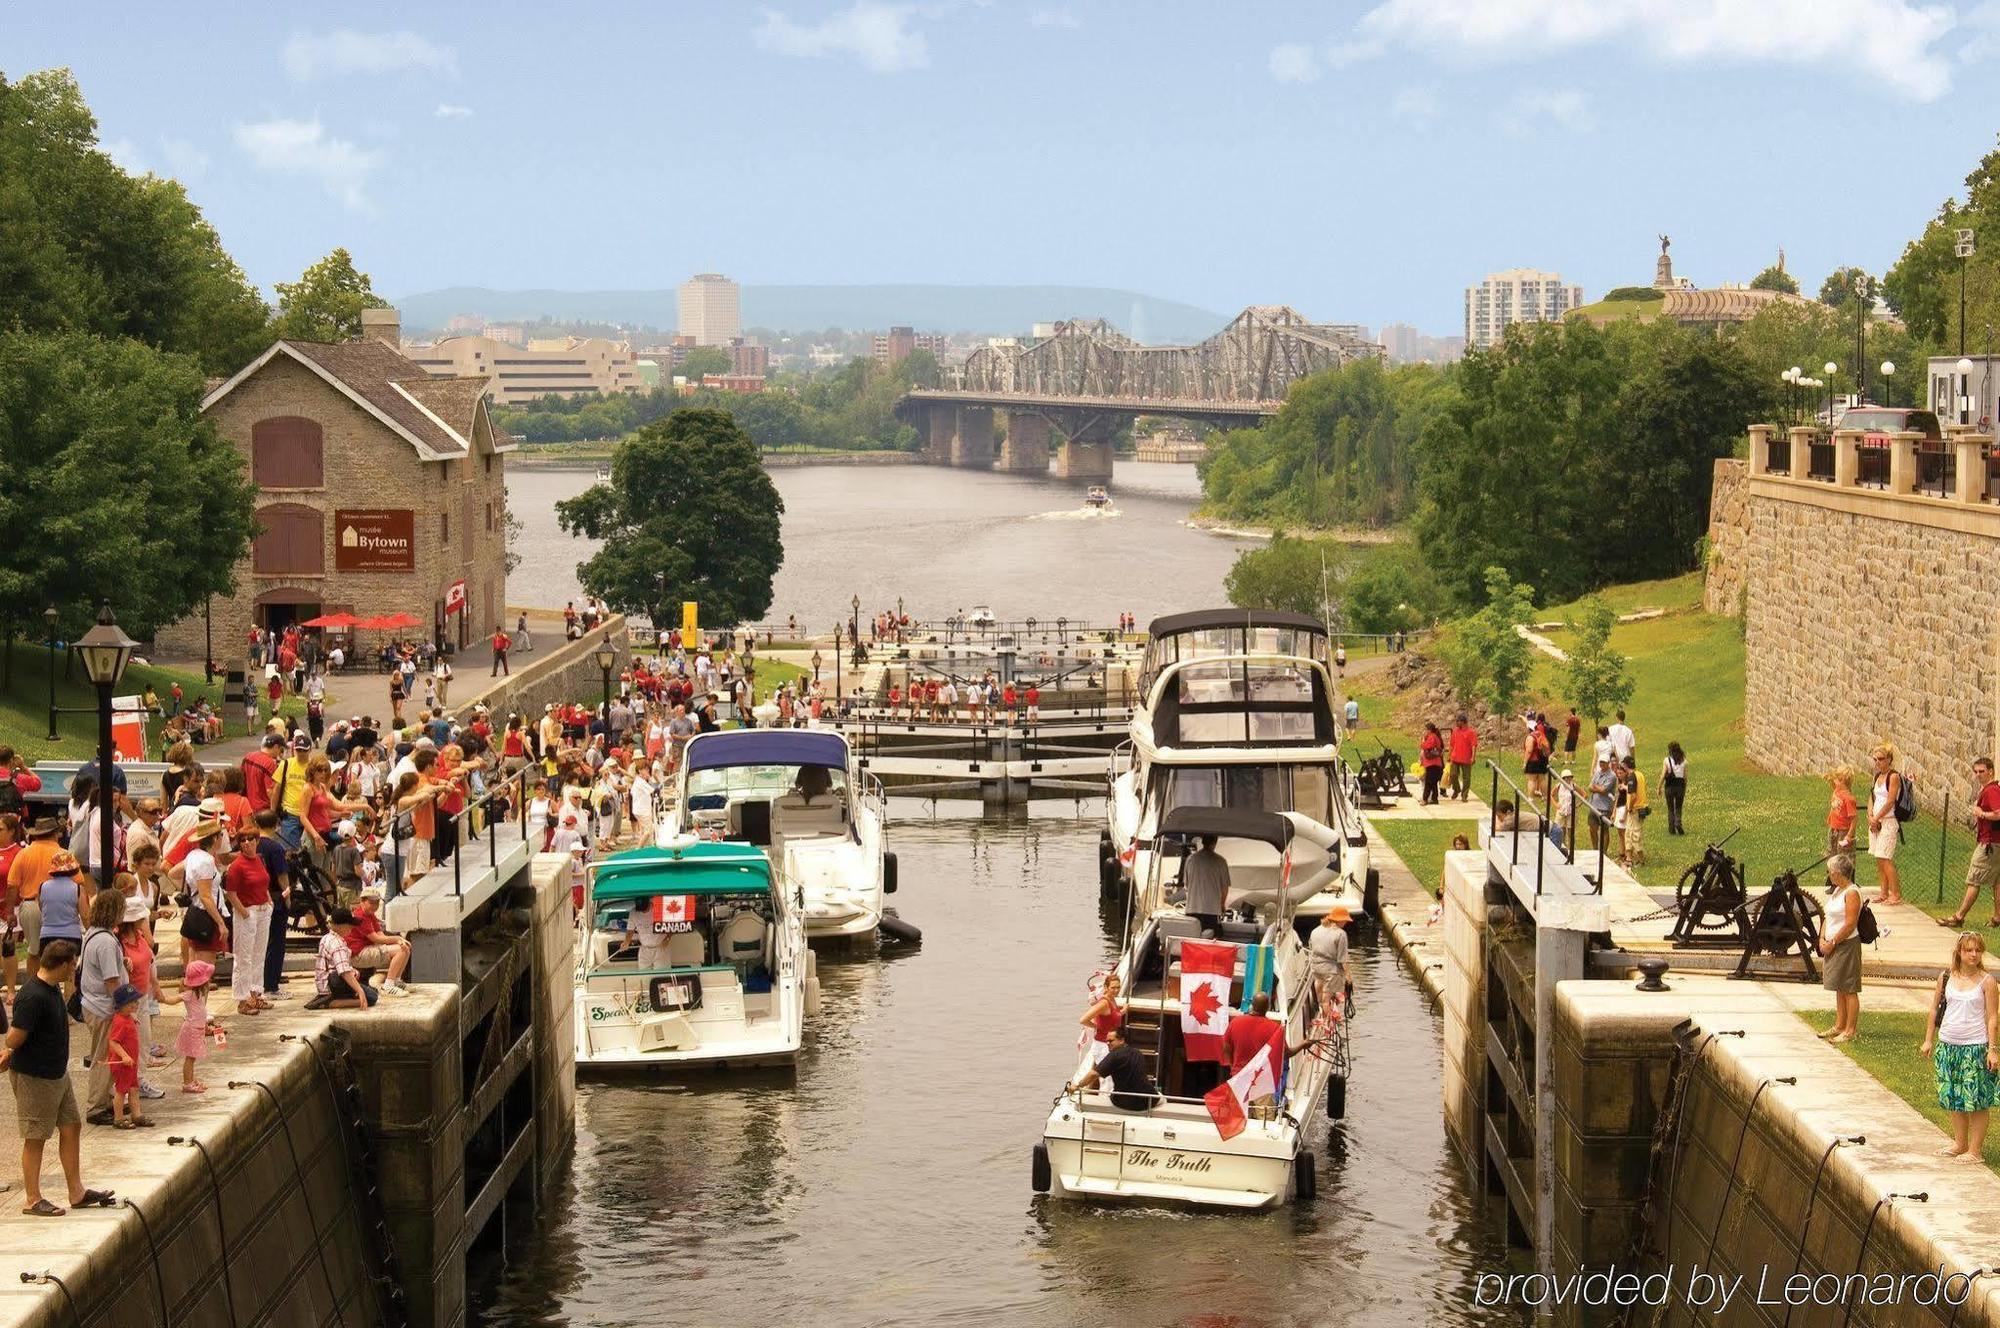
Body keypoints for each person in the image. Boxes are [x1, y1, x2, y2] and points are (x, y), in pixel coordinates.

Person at [3, 940, 117, 1215]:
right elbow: (13, 1037)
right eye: (73, 965)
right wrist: (7, 1052)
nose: (73, 970)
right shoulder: (32, 995)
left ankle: (76, 1191)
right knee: (36, 1136)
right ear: (64, 964)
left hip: (57, 1074)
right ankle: (32, 1198)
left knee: (71, 1126)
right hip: (35, 1077)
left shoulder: (51, 989)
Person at [1920, 931, 2000, 1160]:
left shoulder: (1988, 981)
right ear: (1959, 952)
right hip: (1948, 1044)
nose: (1973, 954)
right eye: (1969, 950)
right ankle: (1960, 1143)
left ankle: (1975, 1151)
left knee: (1976, 1099)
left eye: (1977, 950)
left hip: (1974, 1046)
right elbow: (1935, 1009)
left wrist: (1993, 1049)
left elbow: (1993, 1017)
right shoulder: (1945, 977)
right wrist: (1928, 1039)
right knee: (1954, 1097)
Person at [76, 888, 128, 1125]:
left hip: (92, 1004)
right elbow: (111, 980)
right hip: (103, 1007)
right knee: (103, 1057)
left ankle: (106, 1101)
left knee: (107, 1055)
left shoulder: (93, 933)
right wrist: (125, 1006)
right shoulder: (106, 941)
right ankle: (97, 1107)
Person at [225, 816, 274, 1015]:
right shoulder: (237, 865)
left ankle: (256, 993)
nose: (247, 843)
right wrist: (243, 912)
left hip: (263, 908)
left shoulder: (259, 859)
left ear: (257, 841)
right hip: (248, 911)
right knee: (243, 956)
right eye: (243, 840)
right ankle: (242, 998)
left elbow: (264, 881)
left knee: (259, 954)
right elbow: (231, 893)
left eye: (250, 839)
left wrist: (268, 900)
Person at [1945, 757, 2000, 930]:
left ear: (1990, 771)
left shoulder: (1991, 790)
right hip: (1996, 843)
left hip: (1989, 844)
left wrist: (1981, 813)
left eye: (1981, 771)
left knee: (1974, 879)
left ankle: (1959, 916)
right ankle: (1998, 918)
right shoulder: (1993, 788)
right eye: (1975, 771)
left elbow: (1998, 813)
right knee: (1997, 882)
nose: (1978, 775)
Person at [1819, 854, 1863, 1044]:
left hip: (1846, 945)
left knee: (1849, 987)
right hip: (1833, 943)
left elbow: (1850, 924)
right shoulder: (1837, 890)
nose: (1829, 874)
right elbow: (1828, 917)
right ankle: (1839, 1024)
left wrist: (1833, 942)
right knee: (1839, 986)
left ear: (1837, 872)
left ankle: (1850, 1030)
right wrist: (1821, 938)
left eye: (1830, 871)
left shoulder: (1851, 892)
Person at [1063, 1026, 1159, 1112]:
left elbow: (1093, 1074)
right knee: (1161, 1097)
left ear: (1122, 1040)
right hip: (1148, 1100)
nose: (1107, 1043)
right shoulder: (1138, 1053)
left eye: (1111, 1041)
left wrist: (1077, 1086)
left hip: (1125, 1103)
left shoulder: (1114, 1056)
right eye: (1106, 1041)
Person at [343, 889, 413, 995]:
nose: (375, 906)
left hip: (365, 949)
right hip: (357, 955)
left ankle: (396, 981)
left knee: (405, 948)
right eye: (371, 903)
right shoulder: (359, 916)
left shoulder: (370, 915)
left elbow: (381, 935)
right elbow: (376, 939)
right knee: (401, 950)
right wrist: (398, 939)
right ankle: (388, 986)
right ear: (362, 901)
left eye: (377, 903)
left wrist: (400, 941)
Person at [105, 985, 150, 1129]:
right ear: (122, 1005)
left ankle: (136, 1115)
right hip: (123, 1063)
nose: (135, 1005)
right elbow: (113, 1041)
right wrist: (124, 1056)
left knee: (134, 1089)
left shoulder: (128, 1017)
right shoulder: (119, 1021)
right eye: (132, 1003)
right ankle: (118, 1118)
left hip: (131, 1063)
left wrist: (132, 1018)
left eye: (136, 1002)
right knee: (121, 1091)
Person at [314, 910, 379, 1009]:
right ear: (341, 926)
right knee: (372, 997)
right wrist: (360, 991)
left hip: (328, 982)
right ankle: (332, 1002)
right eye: (350, 926)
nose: (352, 928)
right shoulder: (337, 943)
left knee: (372, 987)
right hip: (333, 984)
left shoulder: (328, 937)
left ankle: (348, 995)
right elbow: (344, 971)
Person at [1867, 743, 1906, 905]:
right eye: (1875, 759)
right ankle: (1883, 891)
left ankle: (1895, 893)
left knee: (1886, 857)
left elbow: (1890, 801)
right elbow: (1872, 797)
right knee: (1879, 857)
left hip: (1888, 821)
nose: (1878, 762)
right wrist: (1870, 815)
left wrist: (1877, 818)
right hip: (1876, 822)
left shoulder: (1893, 777)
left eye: (1881, 759)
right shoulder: (1877, 777)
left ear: (1889, 759)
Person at [176, 960, 219, 1092]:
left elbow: (201, 1013)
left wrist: (206, 1027)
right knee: (190, 1057)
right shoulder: (189, 994)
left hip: (198, 1029)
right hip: (191, 1030)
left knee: (192, 1057)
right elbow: (173, 1000)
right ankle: (187, 1083)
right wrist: (161, 997)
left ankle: (191, 1079)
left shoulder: (199, 994)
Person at [1180, 834, 1231, 934]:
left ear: (1202, 842)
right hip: (1211, 911)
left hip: (1192, 910)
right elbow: (1225, 888)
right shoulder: (1220, 861)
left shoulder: (1190, 859)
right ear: (1215, 843)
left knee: (1193, 940)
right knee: (1213, 940)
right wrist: (1222, 905)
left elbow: (1187, 885)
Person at [1308, 905, 1351, 1015]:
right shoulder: (1341, 934)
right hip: (1331, 971)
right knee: (1326, 1001)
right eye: (1345, 920)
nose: (1346, 923)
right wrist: (1348, 977)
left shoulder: (1315, 930)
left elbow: (1311, 948)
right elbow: (1343, 959)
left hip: (1316, 968)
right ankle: (1326, 1023)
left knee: (1319, 986)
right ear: (1340, 920)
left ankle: (1317, 1012)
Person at [1078, 972, 1123, 1063]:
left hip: (1111, 1045)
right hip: (1103, 1046)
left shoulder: (1112, 999)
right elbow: (1083, 1020)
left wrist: (1123, 1010)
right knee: (1107, 1077)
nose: (1116, 990)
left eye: (1118, 987)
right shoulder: (1103, 1003)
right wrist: (1096, 1026)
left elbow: (1111, 1016)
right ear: (1106, 988)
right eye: (1113, 988)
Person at [1587, 757, 1617, 855]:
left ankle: (1603, 853)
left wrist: (1596, 787)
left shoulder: (1612, 776)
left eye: (1604, 762)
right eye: (1600, 762)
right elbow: (1590, 787)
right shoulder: (1597, 773)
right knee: (1592, 828)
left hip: (1605, 807)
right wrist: (1598, 788)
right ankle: (1595, 851)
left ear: (1608, 763)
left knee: (1604, 830)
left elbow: (1604, 790)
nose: (1601, 764)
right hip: (1593, 805)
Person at [1826, 766, 1858, 858]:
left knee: (1843, 856)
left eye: (1837, 778)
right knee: (1831, 852)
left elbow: (1854, 819)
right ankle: (1832, 871)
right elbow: (1834, 806)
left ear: (1842, 780)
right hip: (1834, 828)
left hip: (1844, 831)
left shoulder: (1848, 799)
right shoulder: (1837, 791)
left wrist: (1849, 835)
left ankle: (1842, 872)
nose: (1834, 781)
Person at [1447, 714, 1478, 802]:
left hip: (1466, 758)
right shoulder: (1455, 731)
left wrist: (1473, 757)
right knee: (1453, 775)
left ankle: (1464, 795)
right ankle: (1456, 789)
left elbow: (1474, 745)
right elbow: (1451, 744)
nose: (1456, 723)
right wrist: (1449, 755)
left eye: (1458, 721)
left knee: (1466, 778)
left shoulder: (1471, 732)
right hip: (1455, 757)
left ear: (1463, 722)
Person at [1660, 741, 1688, 836]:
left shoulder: (1667, 760)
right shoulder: (1683, 760)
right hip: (1680, 786)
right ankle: (1678, 823)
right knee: (1679, 807)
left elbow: (1663, 775)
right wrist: (1684, 787)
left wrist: (1658, 787)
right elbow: (1685, 777)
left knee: (1671, 808)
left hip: (1670, 786)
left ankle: (1671, 828)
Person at [1418, 722, 1444, 805]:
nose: (1424, 731)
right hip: (1434, 764)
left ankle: (1425, 799)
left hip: (1432, 764)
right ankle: (1434, 799)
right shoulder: (1433, 737)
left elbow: (1425, 746)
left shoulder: (1432, 737)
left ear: (1429, 730)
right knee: (1433, 783)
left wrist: (1422, 740)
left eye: (1425, 730)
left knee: (1428, 782)